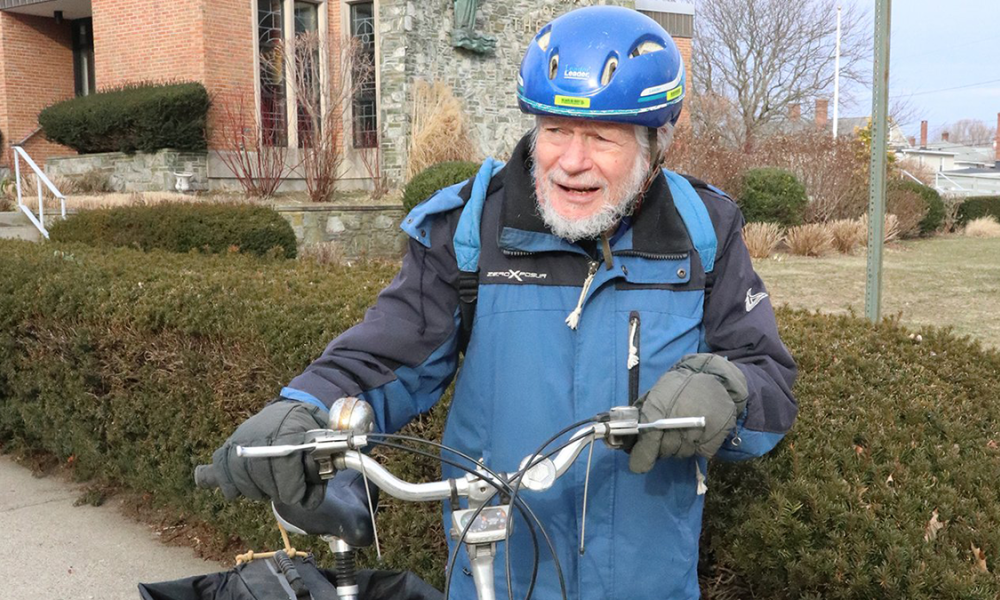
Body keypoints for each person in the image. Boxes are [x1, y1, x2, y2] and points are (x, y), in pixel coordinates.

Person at [211, 6, 797, 599]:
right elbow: (387, 354)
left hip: (649, 584)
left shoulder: (703, 232)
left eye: (600, 137)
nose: (571, 161)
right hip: (499, 577)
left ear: (654, 144)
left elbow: (767, 377)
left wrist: (723, 388)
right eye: (555, 130)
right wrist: (307, 407)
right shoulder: (472, 228)